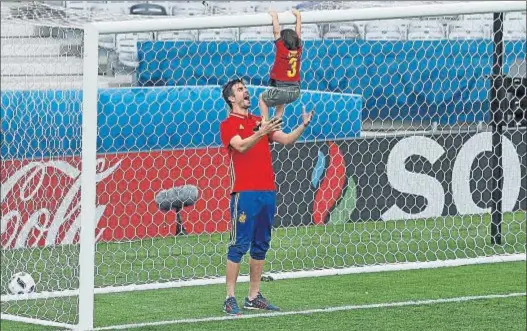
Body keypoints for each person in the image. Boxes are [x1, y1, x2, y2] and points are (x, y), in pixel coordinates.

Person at [220, 78, 313, 315]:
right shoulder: (229, 124)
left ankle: (253, 295)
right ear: (231, 98)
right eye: (240, 90)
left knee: (261, 244)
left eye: (245, 89)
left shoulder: (259, 121)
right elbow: (240, 146)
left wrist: (302, 126)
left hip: (267, 192)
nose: (246, 92)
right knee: (239, 244)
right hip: (245, 193)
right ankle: (229, 298)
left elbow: (286, 140)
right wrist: (260, 132)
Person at [258, 9, 303, 124]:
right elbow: (298, 34)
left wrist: (274, 18)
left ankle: (265, 124)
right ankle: (277, 122)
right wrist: (298, 17)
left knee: (262, 99)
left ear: (283, 42)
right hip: (295, 92)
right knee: (281, 101)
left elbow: (276, 32)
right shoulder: (299, 50)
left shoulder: (281, 49)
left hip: (281, 90)